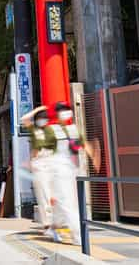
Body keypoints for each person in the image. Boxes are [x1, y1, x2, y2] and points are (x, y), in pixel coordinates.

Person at [48, 101, 99, 247]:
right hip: (57, 171)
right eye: (62, 110)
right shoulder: (51, 130)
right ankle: (78, 237)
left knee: (63, 203)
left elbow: (84, 145)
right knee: (68, 204)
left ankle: (53, 227)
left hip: (72, 171)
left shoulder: (73, 129)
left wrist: (93, 157)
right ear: (57, 114)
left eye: (67, 109)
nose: (65, 112)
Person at [22, 105, 59, 243]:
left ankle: (54, 224)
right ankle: (48, 225)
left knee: (54, 195)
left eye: (45, 118)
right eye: (40, 119)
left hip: (51, 164)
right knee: (44, 196)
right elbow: (24, 119)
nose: (43, 121)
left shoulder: (50, 130)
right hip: (39, 165)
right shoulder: (34, 130)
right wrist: (37, 110)